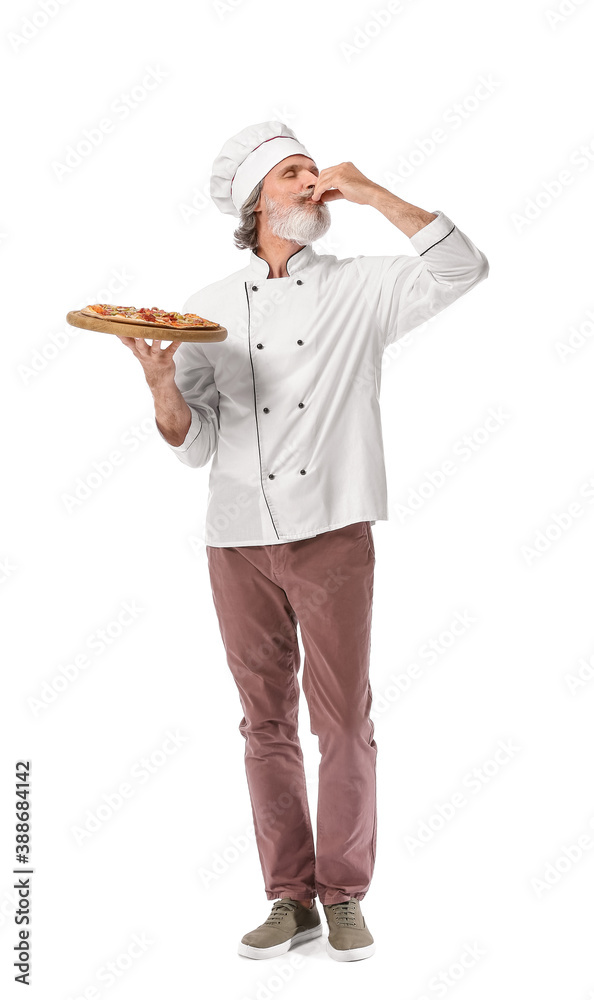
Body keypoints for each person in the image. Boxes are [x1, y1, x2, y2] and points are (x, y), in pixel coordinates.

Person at [117, 121, 489, 962]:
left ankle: (345, 891)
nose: (314, 183)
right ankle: (289, 897)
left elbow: (464, 267)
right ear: (258, 202)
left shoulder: (362, 287)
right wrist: (160, 387)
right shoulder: (206, 306)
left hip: (332, 531)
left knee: (343, 720)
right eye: (296, 174)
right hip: (236, 539)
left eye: (317, 172)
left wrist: (372, 192)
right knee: (263, 723)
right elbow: (193, 441)